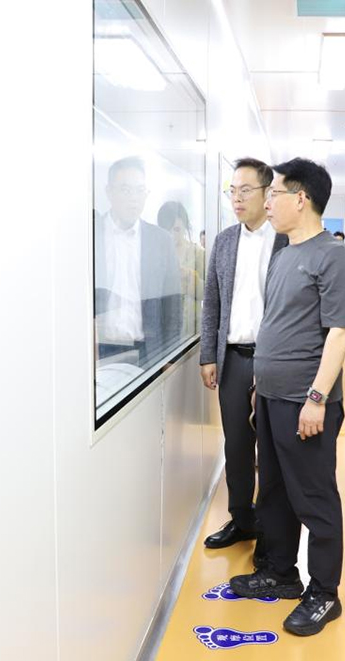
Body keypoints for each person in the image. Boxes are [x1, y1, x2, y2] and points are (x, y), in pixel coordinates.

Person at [229, 158, 345, 637]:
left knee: (314, 496)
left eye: (274, 194)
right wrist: (260, 386)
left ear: (300, 199)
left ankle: (325, 593)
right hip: (271, 396)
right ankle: (282, 573)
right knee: (275, 492)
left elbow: (339, 333)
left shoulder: (334, 257)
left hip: (306, 401)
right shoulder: (285, 253)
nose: (267, 202)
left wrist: (317, 397)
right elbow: (277, 323)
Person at [199, 158, 288, 552]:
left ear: (268, 193)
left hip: (275, 360)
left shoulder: (286, 240)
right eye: (232, 191)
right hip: (233, 358)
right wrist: (208, 355)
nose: (236, 198)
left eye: (245, 190)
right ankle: (241, 518)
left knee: (271, 447)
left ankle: (272, 528)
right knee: (236, 445)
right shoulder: (224, 242)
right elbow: (212, 303)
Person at [94, 156, 181, 366]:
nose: (134, 198)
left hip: (148, 350)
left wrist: (170, 356)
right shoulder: (92, 235)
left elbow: (173, 305)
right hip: (100, 348)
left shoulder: (161, 241)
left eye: (140, 190)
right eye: (126, 190)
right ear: (109, 192)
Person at [158, 201, 206, 339]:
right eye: (167, 229)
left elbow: (209, 293)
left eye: (177, 229)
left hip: (190, 329)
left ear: (185, 227)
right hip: (162, 325)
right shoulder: (155, 253)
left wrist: (191, 278)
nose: (171, 234)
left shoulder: (197, 253)